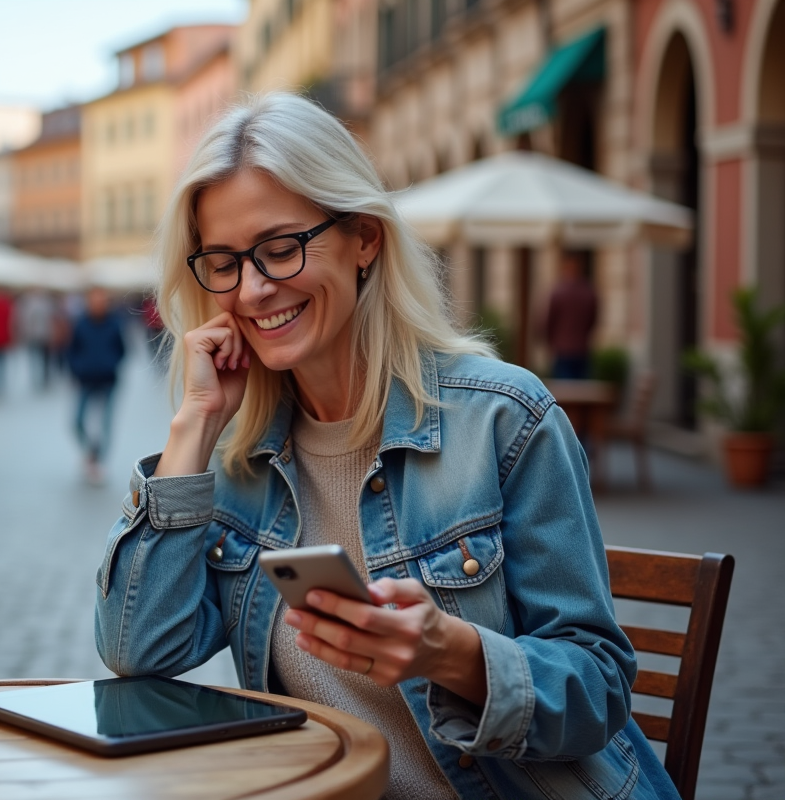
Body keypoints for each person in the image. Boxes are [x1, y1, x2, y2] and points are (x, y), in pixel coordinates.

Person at [94, 94, 679, 800]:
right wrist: (192, 427)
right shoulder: (238, 456)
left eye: (280, 248)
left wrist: (453, 655)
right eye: (223, 261)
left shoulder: (504, 419)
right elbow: (138, 650)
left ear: (364, 238)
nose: (252, 289)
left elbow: (601, 688)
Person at [67, 287, 126, 485]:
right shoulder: (81, 323)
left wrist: (111, 363)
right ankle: (91, 450)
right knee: (77, 421)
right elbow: (72, 349)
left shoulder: (114, 323)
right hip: (85, 379)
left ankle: (99, 461)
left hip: (108, 379)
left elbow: (122, 349)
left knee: (105, 423)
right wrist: (77, 368)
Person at [543, 251, 599, 380]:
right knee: (581, 391)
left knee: (564, 391)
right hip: (582, 348)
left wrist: (551, 341)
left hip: (562, 349)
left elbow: (549, 322)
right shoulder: (588, 291)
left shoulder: (558, 292)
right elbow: (593, 320)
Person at [16, 289, 56, 391]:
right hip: (41, 335)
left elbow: (24, 321)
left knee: (37, 359)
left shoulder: (27, 305)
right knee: (43, 360)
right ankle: (43, 379)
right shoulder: (46, 305)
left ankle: (39, 379)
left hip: (37, 335)